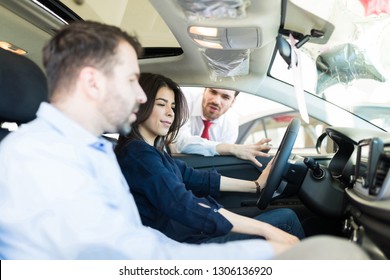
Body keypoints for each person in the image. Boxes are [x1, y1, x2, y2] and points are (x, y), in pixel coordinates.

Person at [0, 20, 369, 260]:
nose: (141, 96)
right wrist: (264, 252)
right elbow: (139, 262)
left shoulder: (87, 150)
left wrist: (258, 195)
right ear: (92, 81)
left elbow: (150, 238)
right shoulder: (37, 162)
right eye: (131, 80)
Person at [115, 73, 305, 245]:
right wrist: (265, 229)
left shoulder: (152, 151)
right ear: (141, 104)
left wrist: (255, 185)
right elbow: (182, 204)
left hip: (187, 234)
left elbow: (196, 178)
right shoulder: (139, 156)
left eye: (172, 106)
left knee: (284, 217)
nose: (171, 112)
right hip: (180, 246)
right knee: (285, 220)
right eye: (161, 104)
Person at [170, 87, 272, 168]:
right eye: (213, 92)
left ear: (233, 102)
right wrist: (231, 148)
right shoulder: (185, 101)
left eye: (225, 97)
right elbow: (179, 142)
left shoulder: (231, 122)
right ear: (204, 90)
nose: (216, 101)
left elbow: (220, 161)